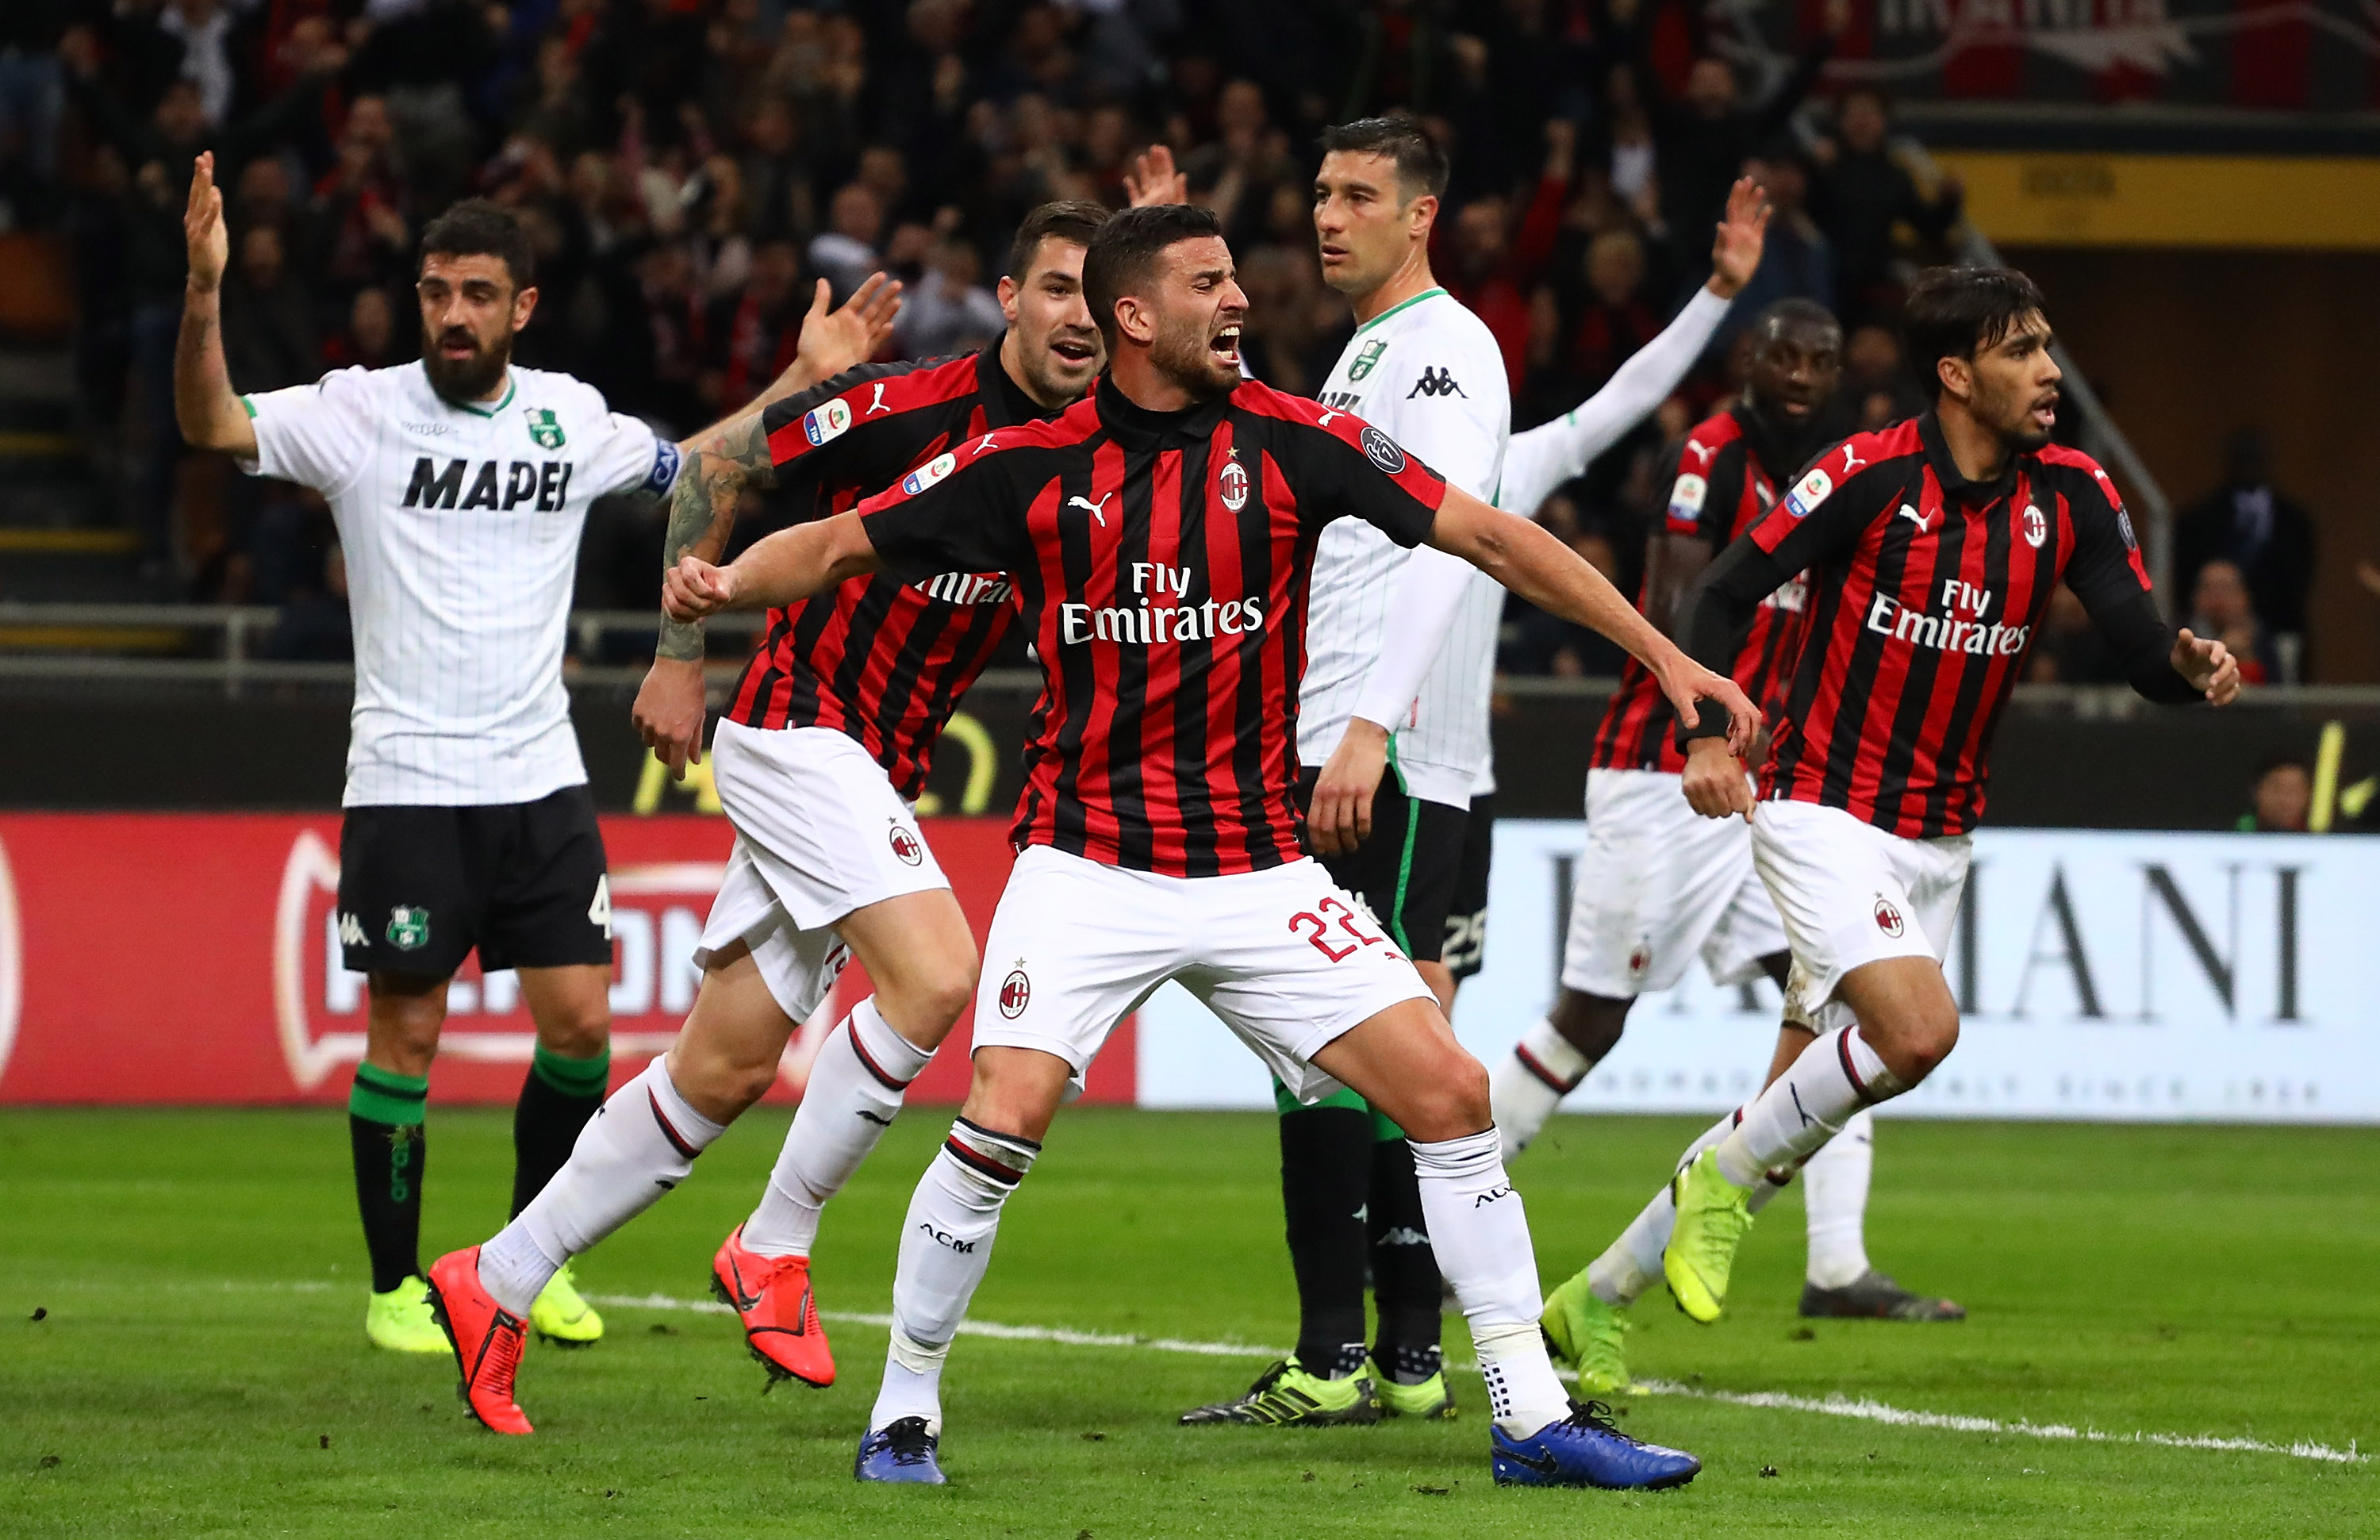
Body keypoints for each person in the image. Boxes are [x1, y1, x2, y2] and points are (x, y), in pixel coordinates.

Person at [635, 202, 1764, 1490]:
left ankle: (1528, 1415)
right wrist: (725, 589)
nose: (1242, 301)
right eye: (1210, 283)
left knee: (1449, 1097)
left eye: (1238, 279)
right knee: (1002, 1115)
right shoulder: (1032, 463)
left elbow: (1492, 535)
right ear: (1134, 316)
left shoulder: (1298, 441)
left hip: (1256, 873)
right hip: (1085, 865)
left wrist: (1672, 661)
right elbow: (839, 541)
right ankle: (905, 1414)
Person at [171, 153, 898, 1358]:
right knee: (407, 1037)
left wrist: (801, 382)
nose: (453, 314)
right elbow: (210, 422)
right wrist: (205, 291)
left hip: (541, 778)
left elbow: (704, 463)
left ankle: (517, 1264)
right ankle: (397, 1285)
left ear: (522, 309)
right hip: (408, 777)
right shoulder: (358, 412)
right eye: (436, 291)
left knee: (580, 1032)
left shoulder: (567, 417)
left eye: (477, 294)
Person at [419, 200, 1119, 1428]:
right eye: (1054, 288)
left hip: (874, 763)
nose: (1077, 317)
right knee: (940, 975)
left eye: (1095, 297)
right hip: (798, 728)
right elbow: (715, 467)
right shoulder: (908, 407)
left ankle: (499, 1275)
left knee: (722, 1069)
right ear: (1007, 300)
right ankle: (775, 1242)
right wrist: (680, 649)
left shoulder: (1095, 454)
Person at [1181, 116, 1769, 1431]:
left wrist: (1369, 721)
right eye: (1321, 193)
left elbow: (1456, 545)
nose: (1330, 217)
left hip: (1377, 757)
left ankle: (1342, 1354)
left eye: (1359, 196)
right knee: (1392, 1047)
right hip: (1392, 758)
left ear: (1423, 213)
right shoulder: (1366, 356)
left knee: (1332, 1052)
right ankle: (1399, 1353)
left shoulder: (1443, 350)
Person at [1653, 266, 2239, 1327]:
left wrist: (2185, 673)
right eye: (2022, 351)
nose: (2049, 371)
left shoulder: (2073, 492)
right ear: (1955, 374)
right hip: (1823, 806)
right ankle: (1732, 1197)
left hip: (1941, 842)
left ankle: (1600, 1291)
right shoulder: (1866, 477)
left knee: (1824, 1084)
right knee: (1919, 1033)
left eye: (2047, 346)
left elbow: (2137, 642)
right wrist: (1704, 735)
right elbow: (1721, 590)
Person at [1493, 300, 1961, 1400]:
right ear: (1753, 365)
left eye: (1822, 359)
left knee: (1844, 1006)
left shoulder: (1853, 472)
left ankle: (1836, 1263)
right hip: (1668, 772)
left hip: (1775, 782)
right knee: (1592, 1017)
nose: (1802, 375)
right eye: (1785, 357)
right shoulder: (1711, 453)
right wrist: (1711, 722)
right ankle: (1437, 1193)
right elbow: (1678, 598)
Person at [2177, 431, 2311, 678]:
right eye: (2210, 589)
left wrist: (2248, 654)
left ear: (2244, 596)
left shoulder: (2295, 521)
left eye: (2228, 590)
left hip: (2274, 629)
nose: (2220, 601)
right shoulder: (2199, 519)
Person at [2236, 751, 2310, 833]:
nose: (2285, 798)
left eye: (2295, 789)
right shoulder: (2232, 834)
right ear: (2255, 791)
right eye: (2276, 788)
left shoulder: (2319, 836)